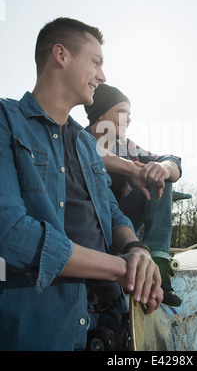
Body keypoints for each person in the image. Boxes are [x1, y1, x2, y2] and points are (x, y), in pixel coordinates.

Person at [0, 17, 163, 351]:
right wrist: (120, 267)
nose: (102, 76)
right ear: (61, 55)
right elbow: (9, 232)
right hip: (47, 329)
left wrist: (136, 250)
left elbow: (111, 210)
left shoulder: (88, 144)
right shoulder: (6, 121)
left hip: (112, 321)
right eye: (96, 62)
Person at [85, 84, 182, 307]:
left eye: (130, 114)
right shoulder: (78, 139)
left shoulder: (127, 147)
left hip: (124, 229)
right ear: (99, 113)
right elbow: (90, 153)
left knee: (158, 174)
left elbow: (173, 161)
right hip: (91, 229)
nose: (128, 119)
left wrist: (165, 168)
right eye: (121, 112)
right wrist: (129, 167)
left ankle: (158, 265)